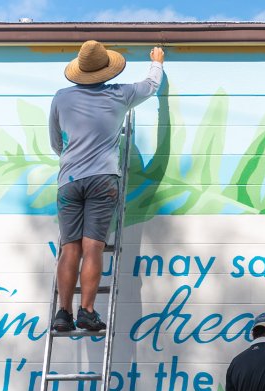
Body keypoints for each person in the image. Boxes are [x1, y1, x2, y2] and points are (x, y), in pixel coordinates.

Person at [48, 40, 165, 332]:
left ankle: (62, 313)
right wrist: (157, 61)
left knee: (69, 248)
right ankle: (86, 311)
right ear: (107, 71)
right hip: (102, 180)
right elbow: (151, 85)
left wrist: (72, 156)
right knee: (93, 247)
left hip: (69, 181)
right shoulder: (120, 95)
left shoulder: (61, 98)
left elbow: (55, 142)